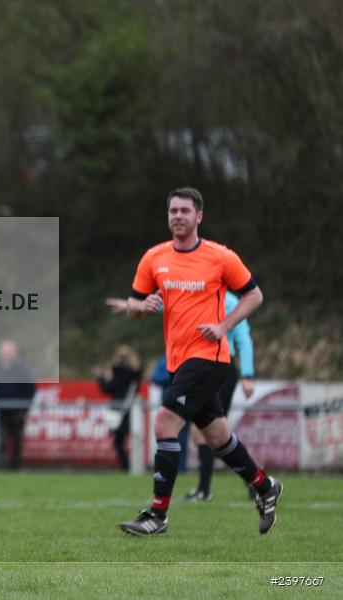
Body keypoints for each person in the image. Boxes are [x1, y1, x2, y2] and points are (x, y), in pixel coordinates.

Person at [117, 187, 281, 537]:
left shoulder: (220, 257)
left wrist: (224, 325)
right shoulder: (154, 258)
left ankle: (157, 515)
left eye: (185, 211)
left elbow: (255, 295)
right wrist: (140, 308)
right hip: (179, 361)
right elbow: (133, 303)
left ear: (199, 217)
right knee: (218, 436)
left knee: (164, 424)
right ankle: (265, 487)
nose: (178, 216)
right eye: (173, 210)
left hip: (210, 358)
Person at [183, 290, 257, 500]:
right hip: (202, 368)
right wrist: (140, 305)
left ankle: (205, 490)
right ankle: (255, 480)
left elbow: (243, 337)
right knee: (212, 433)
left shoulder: (230, 301)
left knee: (208, 431)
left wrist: (247, 375)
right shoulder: (196, 291)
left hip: (220, 370)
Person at [0, 340, 36, 470]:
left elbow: (31, 389)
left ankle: (15, 467)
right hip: (3, 409)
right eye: (4, 352)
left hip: (18, 410)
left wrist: (25, 407)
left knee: (17, 440)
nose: (7, 354)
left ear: (15, 352)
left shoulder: (22, 368)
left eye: (9, 351)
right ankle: (2, 468)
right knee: (2, 440)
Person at [94, 345, 142, 472]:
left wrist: (100, 377)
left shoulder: (117, 372)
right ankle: (135, 466)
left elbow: (107, 389)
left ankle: (126, 467)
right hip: (132, 410)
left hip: (119, 410)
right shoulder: (135, 373)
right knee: (135, 438)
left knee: (118, 440)